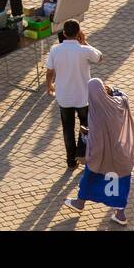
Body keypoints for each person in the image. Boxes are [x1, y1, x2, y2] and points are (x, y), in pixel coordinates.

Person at [63, 77, 134, 226]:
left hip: (102, 155)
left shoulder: (95, 113)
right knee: (120, 183)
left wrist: (84, 136)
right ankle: (120, 215)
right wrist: (113, 90)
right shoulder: (117, 103)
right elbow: (124, 97)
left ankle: (79, 202)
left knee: (89, 179)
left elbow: (95, 140)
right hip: (118, 152)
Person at [45, 19, 102, 170]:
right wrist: (85, 42)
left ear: (63, 33)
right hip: (83, 96)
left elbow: (49, 71)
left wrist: (49, 85)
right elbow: (100, 57)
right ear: (78, 33)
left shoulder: (55, 50)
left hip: (64, 96)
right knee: (86, 126)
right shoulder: (84, 50)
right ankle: (81, 152)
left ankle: (70, 160)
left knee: (67, 128)